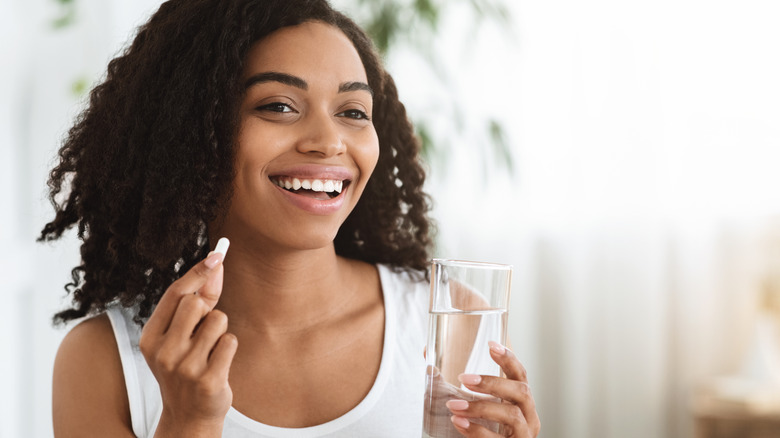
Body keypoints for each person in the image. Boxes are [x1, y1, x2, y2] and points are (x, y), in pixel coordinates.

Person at [39, 0, 541, 436]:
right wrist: (189, 423)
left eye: (353, 111)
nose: (328, 141)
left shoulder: (453, 321)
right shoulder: (105, 362)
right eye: (279, 106)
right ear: (191, 134)